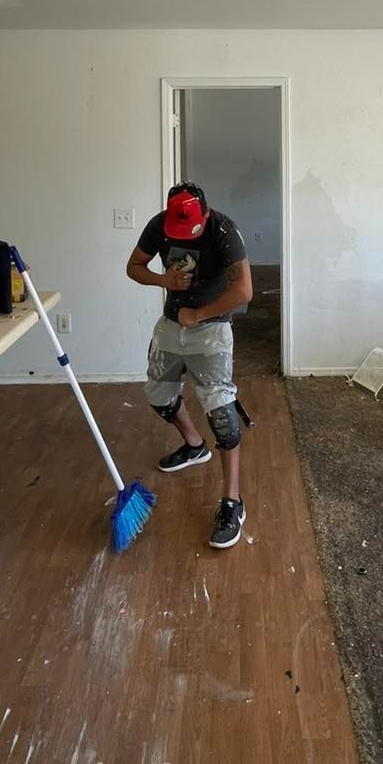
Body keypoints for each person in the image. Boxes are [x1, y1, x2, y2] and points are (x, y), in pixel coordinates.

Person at [126, 182, 253, 549]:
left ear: (206, 215)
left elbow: (243, 291)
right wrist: (162, 279)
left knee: (222, 415)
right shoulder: (158, 225)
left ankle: (233, 502)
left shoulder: (224, 231)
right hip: (171, 325)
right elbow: (133, 266)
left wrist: (199, 314)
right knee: (158, 395)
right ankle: (194, 446)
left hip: (211, 327)